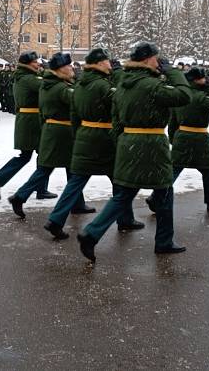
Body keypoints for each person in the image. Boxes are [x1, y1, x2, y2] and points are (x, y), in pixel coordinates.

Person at [77, 41, 191, 262]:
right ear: (148, 60)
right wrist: (173, 72)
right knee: (165, 192)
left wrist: (122, 141)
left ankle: (91, 233)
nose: (158, 62)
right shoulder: (152, 85)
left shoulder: (123, 84)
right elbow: (184, 96)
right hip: (152, 143)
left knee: (123, 195)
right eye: (156, 59)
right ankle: (164, 242)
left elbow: (116, 119)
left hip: (128, 142)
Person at [44, 48, 143, 239]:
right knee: (120, 182)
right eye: (106, 61)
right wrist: (120, 75)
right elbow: (121, 103)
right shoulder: (102, 85)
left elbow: (74, 114)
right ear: (98, 64)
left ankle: (55, 220)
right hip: (103, 137)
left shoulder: (80, 84)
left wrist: (78, 134)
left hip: (84, 135)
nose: (109, 64)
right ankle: (125, 218)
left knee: (76, 183)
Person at [8, 52, 88, 217]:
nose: (72, 68)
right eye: (68, 66)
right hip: (61, 133)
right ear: (60, 70)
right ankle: (20, 196)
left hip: (55, 132)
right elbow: (79, 100)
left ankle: (77, 203)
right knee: (55, 169)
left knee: (66, 169)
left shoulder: (51, 84)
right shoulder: (59, 87)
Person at [156, 67, 209, 212]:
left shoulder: (182, 96)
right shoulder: (198, 96)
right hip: (199, 138)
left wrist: (173, 138)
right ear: (196, 80)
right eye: (203, 78)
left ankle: (156, 198)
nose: (205, 80)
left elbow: (173, 121)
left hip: (182, 136)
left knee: (173, 171)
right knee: (208, 172)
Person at [0, 51, 56, 200]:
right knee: (41, 156)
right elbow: (46, 86)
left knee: (30, 156)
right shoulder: (28, 78)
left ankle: (1, 180)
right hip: (32, 121)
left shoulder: (24, 76)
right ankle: (38, 188)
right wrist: (52, 72)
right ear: (27, 64)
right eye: (35, 62)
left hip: (28, 119)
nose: (38, 64)